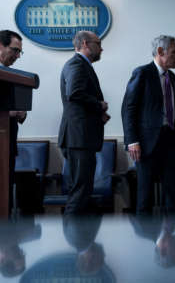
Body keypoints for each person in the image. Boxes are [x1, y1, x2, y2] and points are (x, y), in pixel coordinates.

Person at [121, 35, 175, 214]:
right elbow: (128, 109)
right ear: (161, 52)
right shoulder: (142, 73)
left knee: (174, 194)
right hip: (146, 143)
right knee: (145, 195)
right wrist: (132, 141)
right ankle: (146, 240)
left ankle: (172, 238)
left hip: (169, 141)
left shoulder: (173, 77)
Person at [58, 31, 110, 215]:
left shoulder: (81, 65)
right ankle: (73, 239)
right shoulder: (76, 65)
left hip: (81, 138)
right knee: (79, 193)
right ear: (86, 44)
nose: (101, 47)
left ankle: (79, 240)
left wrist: (98, 114)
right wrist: (99, 105)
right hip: (78, 139)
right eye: (98, 43)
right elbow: (74, 93)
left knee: (83, 192)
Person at [0, 29, 26, 214]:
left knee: (6, 193)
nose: (17, 56)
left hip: (7, 141)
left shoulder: (9, 73)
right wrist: (8, 113)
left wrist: (21, 112)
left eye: (19, 52)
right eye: (14, 50)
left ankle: (6, 237)